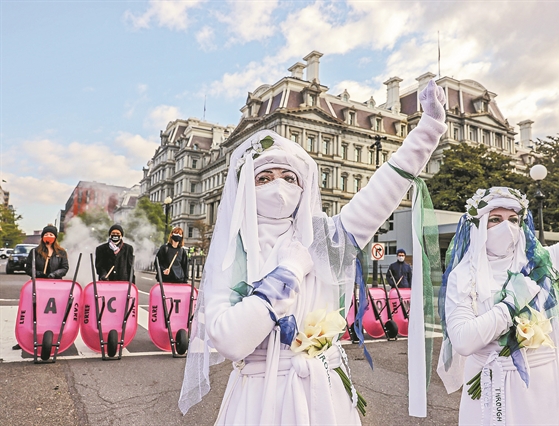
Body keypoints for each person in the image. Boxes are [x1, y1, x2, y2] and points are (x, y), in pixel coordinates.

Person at [178, 80, 448, 423]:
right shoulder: (234, 253)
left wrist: (428, 130)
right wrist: (286, 275)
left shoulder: (326, 237)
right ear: (246, 187)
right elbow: (230, 340)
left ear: (303, 187)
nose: (279, 186)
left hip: (324, 394)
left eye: (289, 177)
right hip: (260, 399)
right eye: (265, 178)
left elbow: (383, 191)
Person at [436, 144, 559, 425]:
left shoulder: (542, 262)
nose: (506, 226)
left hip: (545, 386)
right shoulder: (464, 275)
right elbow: (464, 340)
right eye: (495, 219)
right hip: (491, 385)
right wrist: (510, 305)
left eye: (513, 219)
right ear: (478, 225)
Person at [13, 224, 69, 350]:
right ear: (43, 236)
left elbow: (64, 268)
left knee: (52, 313)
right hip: (38, 287)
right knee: (33, 312)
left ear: (55, 237)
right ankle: (25, 339)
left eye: (51, 234)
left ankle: (53, 338)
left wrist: (54, 274)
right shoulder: (35, 252)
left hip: (55, 287)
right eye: (46, 234)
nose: (48, 236)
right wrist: (39, 274)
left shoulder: (61, 252)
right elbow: (28, 268)